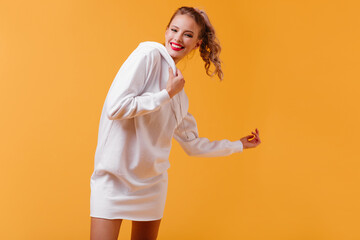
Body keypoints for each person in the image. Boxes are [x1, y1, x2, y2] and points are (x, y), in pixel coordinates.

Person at [90, 6, 261, 240]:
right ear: (166, 30)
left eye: (188, 35)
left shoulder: (179, 97)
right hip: (113, 179)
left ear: (197, 44)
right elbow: (116, 108)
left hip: (152, 185)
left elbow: (193, 145)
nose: (178, 38)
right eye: (174, 29)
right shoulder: (148, 54)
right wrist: (165, 94)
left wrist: (238, 145)